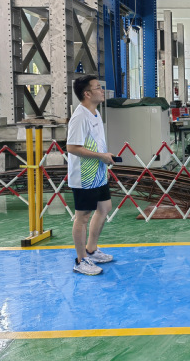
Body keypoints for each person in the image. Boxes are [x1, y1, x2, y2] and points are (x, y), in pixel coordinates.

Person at [67, 75, 116, 275]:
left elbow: (96, 143)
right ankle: (81, 260)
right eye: (98, 88)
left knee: (104, 207)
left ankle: (91, 250)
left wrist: (104, 162)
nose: (102, 91)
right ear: (87, 94)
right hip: (84, 175)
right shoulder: (80, 117)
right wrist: (101, 157)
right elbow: (72, 147)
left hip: (98, 170)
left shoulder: (94, 113)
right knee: (83, 216)